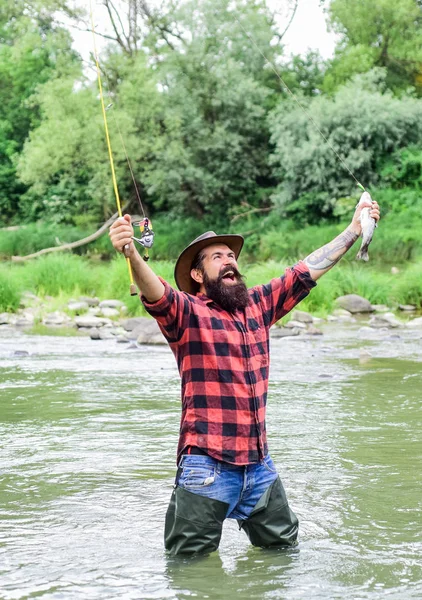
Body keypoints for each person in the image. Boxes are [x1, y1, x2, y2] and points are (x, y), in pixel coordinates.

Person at [109, 199, 380, 556]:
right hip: (205, 467)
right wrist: (131, 253)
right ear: (197, 275)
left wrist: (354, 230)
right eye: (217, 257)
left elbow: (304, 272)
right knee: (190, 570)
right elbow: (155, 292)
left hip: (259, 467)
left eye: (231, 256)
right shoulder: (187, 313)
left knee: (284, 552)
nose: (229, 261)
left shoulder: (257, 304)